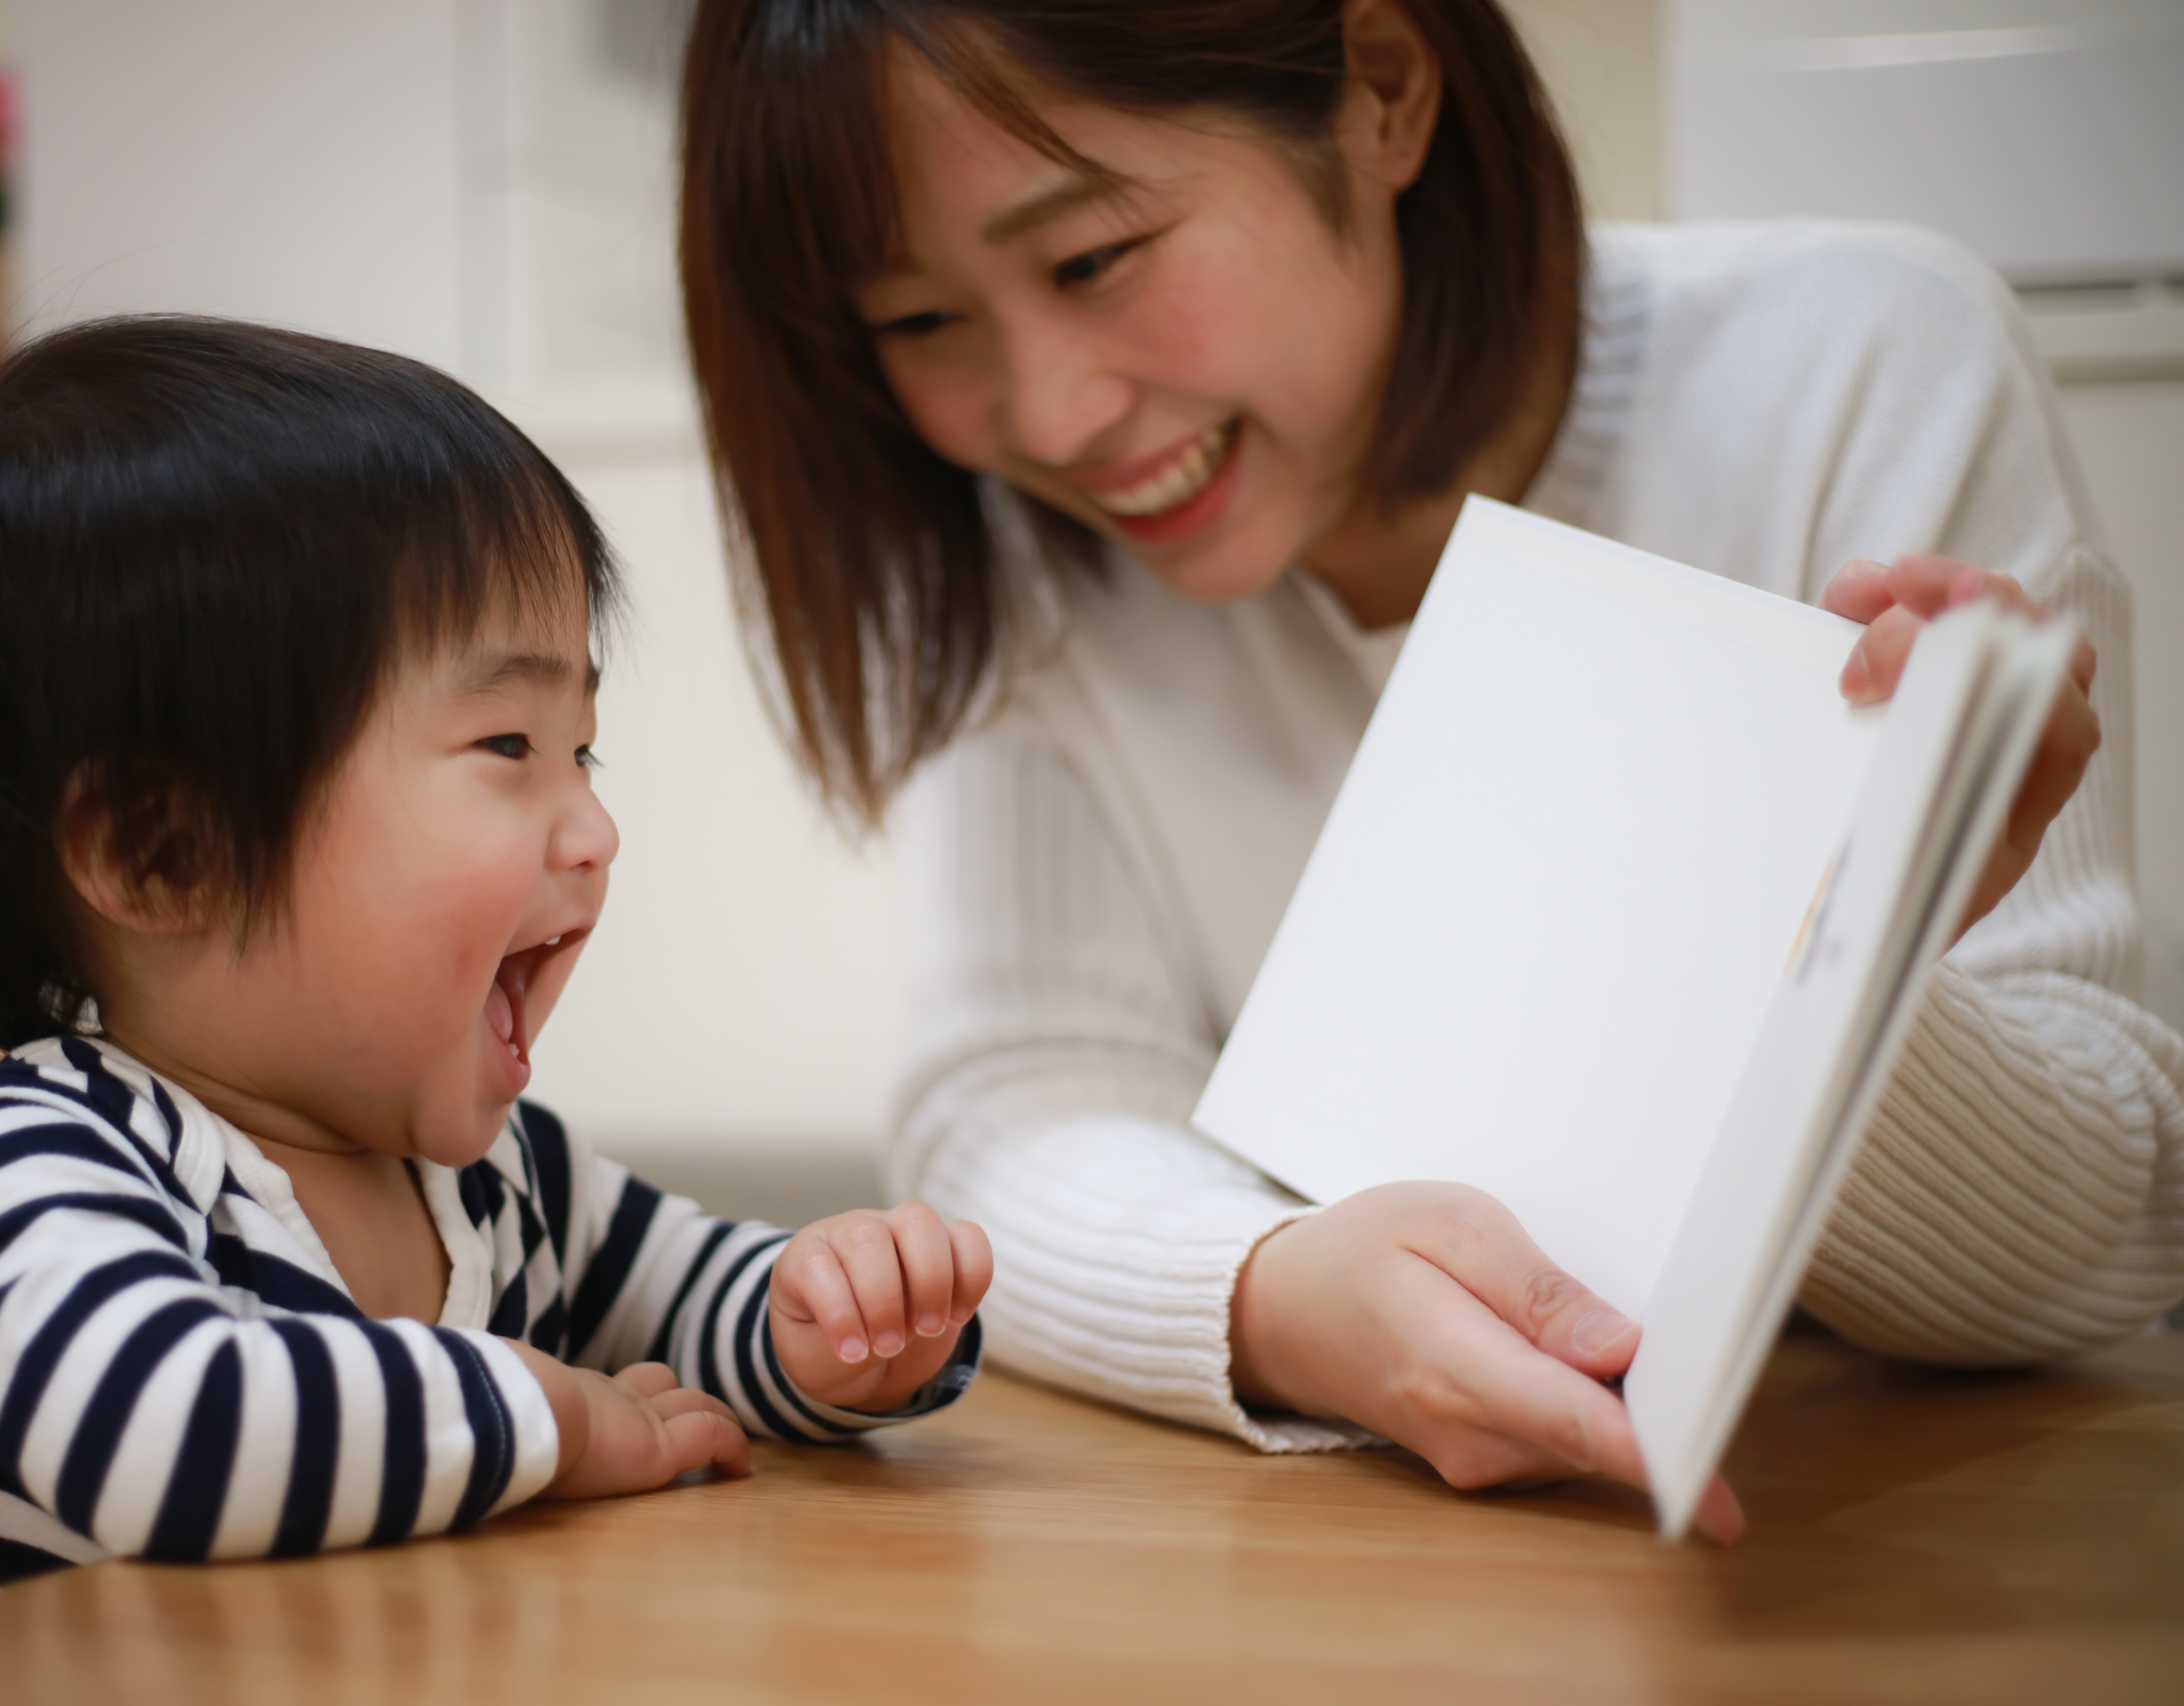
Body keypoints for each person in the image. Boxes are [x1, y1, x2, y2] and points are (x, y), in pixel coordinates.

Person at [674, 0, 2184, 1541]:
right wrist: (1275, 1300)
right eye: (919, 320)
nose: (1049, 414)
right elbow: (1013, 1114)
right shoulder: (1022, 559)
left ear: (1380, 88)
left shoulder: (1858, 369)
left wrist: (1826, 1006)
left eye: (1090, 261)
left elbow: (2104, 1249)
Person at [0, 318, 991, 1612]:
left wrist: (832, 1326)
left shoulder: (507, 1182)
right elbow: (177, 1436)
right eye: (507, 744)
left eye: (583, 751)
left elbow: (690, 1297)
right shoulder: (20, 1164)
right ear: (165, 855)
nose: (596, 831)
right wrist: (566, 1419)